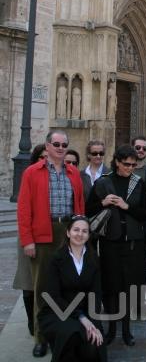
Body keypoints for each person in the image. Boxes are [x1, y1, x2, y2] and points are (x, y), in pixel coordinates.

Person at [17, 130, 85, 358]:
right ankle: (41, 337)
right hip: (43, 233)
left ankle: (63, 333)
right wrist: (28, 240)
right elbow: (24, 208)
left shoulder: (73, 172)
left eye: (64, 144)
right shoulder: (31, 172)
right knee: (42, 289)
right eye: (55, 143)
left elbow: (79, 205)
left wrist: (80, 234)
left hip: (67, 233)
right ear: (47, 146)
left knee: (67, 286)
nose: (60, 147)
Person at [86, 144, 146, 347]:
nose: (130, 168)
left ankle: (127, 330)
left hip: (132, 244)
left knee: (128, 287)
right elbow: (88, 210)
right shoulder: (104, 182)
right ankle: (112, 329)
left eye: (133, 164)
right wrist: (103, 203)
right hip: (110, 242)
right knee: (111, 286)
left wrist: (126, 206)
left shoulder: (138, 183)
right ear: (116, 162)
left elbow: (145, 214)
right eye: (126, 164)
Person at [38, 215, 107, 362]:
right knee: (73, 333)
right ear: (68, 233)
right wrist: (82, 318)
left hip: (86, 312)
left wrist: (93, 321)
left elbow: (96, 293)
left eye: (84, 231)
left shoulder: (94, 259)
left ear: (88, 236)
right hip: (57, 311)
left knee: (93, 343)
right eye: (76, 230)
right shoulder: (56, 259)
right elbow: (53, 296)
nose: (79, 234)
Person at [13, 144, 47, 338]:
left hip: (48, 237)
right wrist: (27, 240)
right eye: (41, 157)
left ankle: (44, 324)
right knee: (28, 285)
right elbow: (23, 209)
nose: (44, 161)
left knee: (46, 285)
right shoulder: (30, 176)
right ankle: (32, 324)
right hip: (29, 237)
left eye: (46, 157)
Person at [131, 135, 146, 316]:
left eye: (144, 149)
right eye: (138, 147)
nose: (140, 151)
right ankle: (119, 305)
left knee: (142, 267)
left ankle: (140, 305)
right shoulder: (122, 170)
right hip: (124, 227)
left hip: (144, 226)